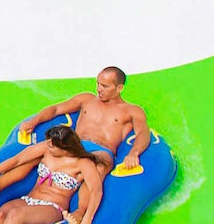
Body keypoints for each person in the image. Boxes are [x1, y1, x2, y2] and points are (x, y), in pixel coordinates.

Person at [19, 66, 149, 175]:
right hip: (75, 146)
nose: (98, 89)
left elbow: (142, 134)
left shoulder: (132, 111)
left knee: (96, 170)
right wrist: (33, 122)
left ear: (119, 88)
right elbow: (56, 109)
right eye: (98, 83)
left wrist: (134, 153)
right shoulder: (86, 99)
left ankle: (84, 205)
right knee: (35, 154)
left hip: (100, 152)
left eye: (104, 86)